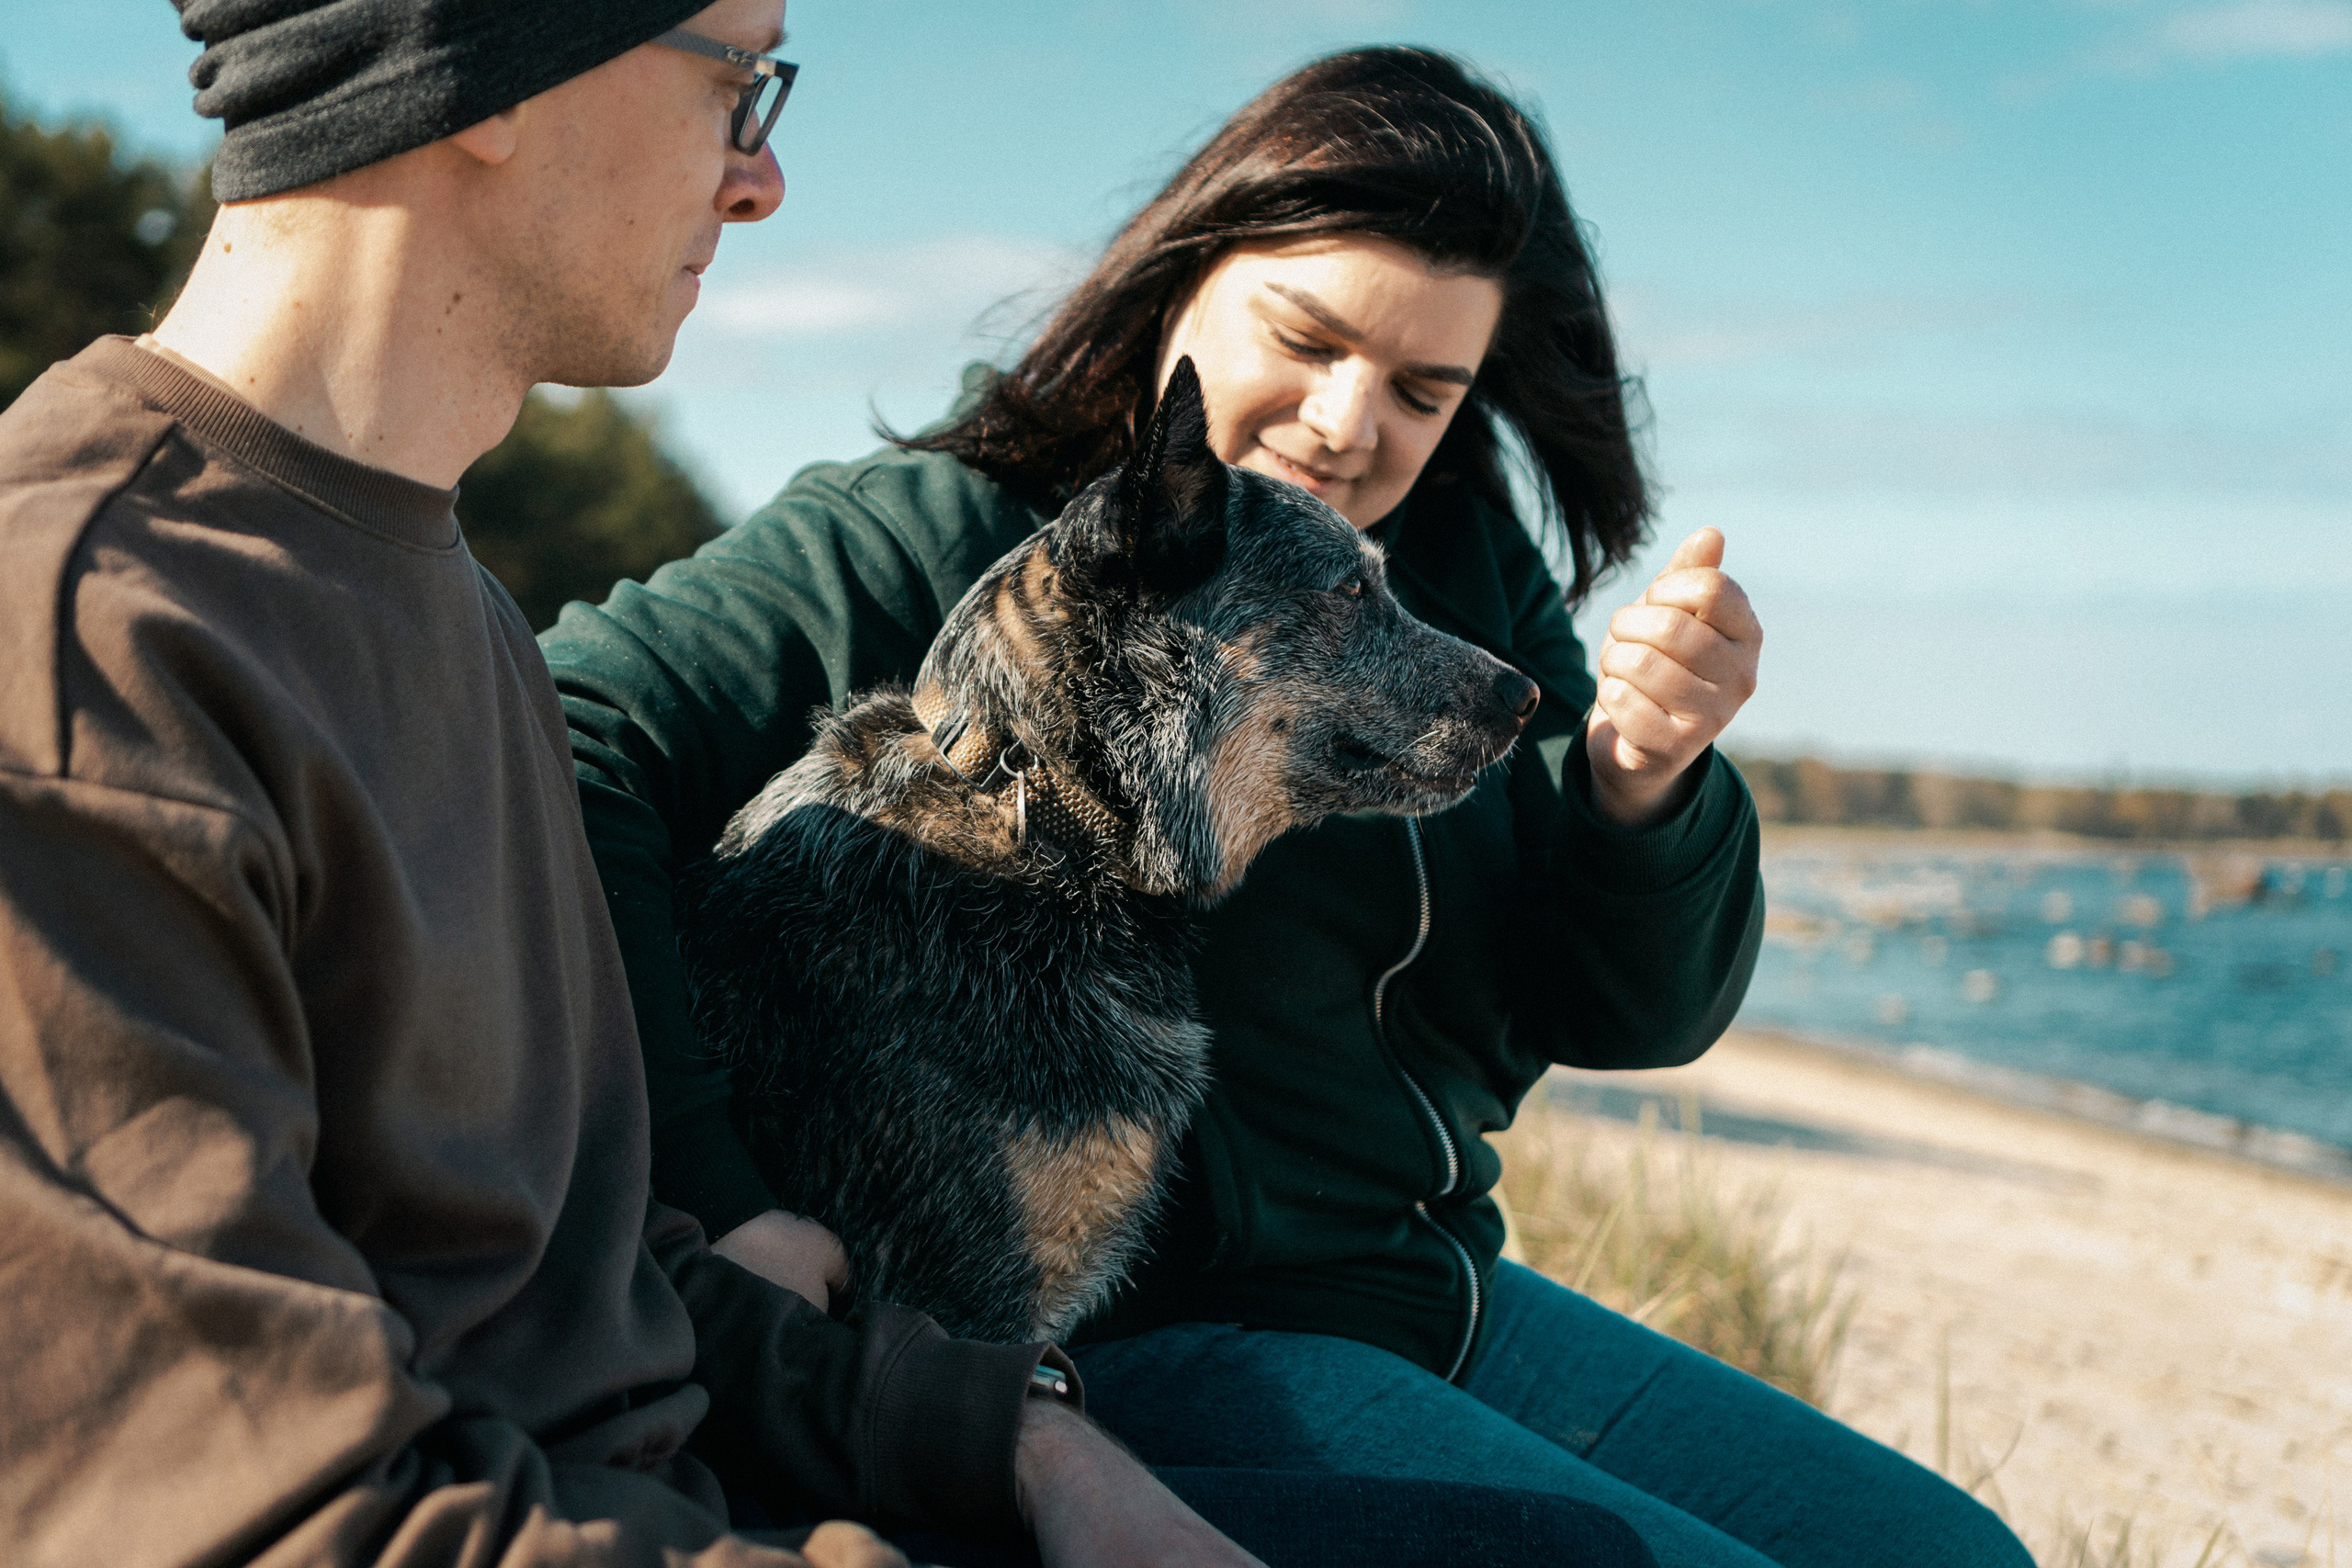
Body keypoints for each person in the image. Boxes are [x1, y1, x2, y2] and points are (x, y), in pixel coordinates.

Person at [3, 7, 1655, 1567]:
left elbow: (573, 1277)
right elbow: (248, 1515)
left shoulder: (451, 606)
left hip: (746, 1459)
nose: (764, 176)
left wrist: (1029, 1450)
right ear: (491, 64)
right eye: (738, 80)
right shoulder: (86, 664)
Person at [542, 44, 2032, 1568]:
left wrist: (1643, 790)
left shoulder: (1460, 586)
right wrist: (719, 1204)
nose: (1346, 421)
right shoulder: (933, 535)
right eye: (1307, 338)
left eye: (1423, 388)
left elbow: (1632, 1014)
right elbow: (566, 735)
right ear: (1186, 277)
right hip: (1149, 1355)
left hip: (1441, 1297)